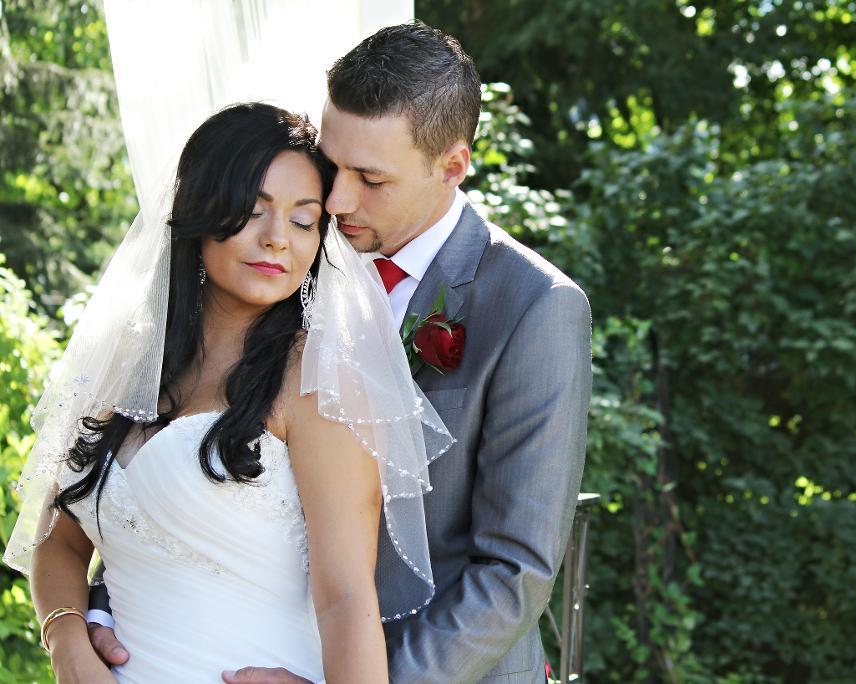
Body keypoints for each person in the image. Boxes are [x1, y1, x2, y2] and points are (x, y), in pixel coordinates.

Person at [5, 101, 450, 682]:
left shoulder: (316, 380)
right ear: (202, 208)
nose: (276, 240)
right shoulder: (132, 358)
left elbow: (346, 600)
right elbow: (57, 538)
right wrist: (65, 638)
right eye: (253, 211)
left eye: (302, 219)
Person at [209, 22, 591, 684]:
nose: (335, 199)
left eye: (370, 178)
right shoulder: (285, 256)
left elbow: (514, 573)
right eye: (332, 165)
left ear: (452, 166)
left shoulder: (535, 308)